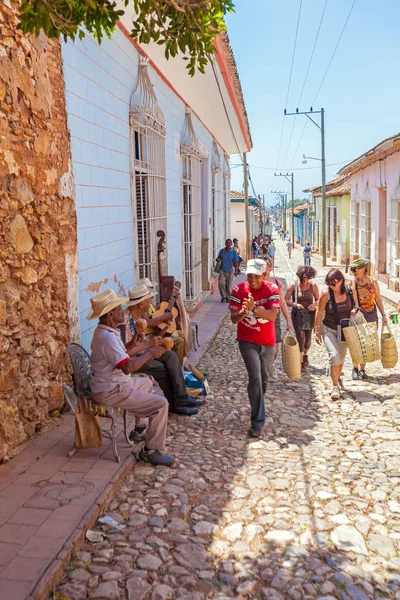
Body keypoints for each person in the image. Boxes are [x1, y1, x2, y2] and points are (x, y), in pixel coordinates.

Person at [88, 288, 174, 466]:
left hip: (111, 384)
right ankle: (150, 450)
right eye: (119, 308)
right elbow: (128, 367)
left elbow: (122, 354)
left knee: (146, 383)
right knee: (160, 404)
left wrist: (136, 345)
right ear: (111, 314)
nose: (123, 311)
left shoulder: (105, 332)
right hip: (112, 390)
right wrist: (149, 352)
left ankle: (140, 429)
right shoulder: (108, 338)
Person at [125, 284, 204, 418]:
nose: (151, 302)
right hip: (132, 361)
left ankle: (181, 396)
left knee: (170, 356)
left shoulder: (138, 319)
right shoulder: (126, 322)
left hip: (141, 353)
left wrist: (151, 344)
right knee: (161, 368)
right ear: (142, 303)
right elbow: (125, 352)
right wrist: (147, 347)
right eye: (149, 299)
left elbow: (137, 343)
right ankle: (174, 405)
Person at [229, 259, 280, 438]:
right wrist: (244, 311)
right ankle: (257, 422)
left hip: (267, 342)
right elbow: (233, 318)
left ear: (264, 275)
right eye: (249, 276)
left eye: (256, 276)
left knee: (263, 379)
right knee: (255, 377)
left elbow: (272, 316)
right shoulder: (238, 290)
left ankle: (257, 400)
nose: (252, 280)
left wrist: (255, 308)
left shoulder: (272, 290)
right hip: (246, 340)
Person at [315, 269, 355, 400]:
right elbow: (319, 312)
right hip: (329, 329)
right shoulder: (325, 294)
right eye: (329, 283)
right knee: (334, 355)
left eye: (334, 283)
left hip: (345, 330)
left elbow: (356, 306)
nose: (331, 285)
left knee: (341, 357)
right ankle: (335, 386)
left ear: (341, 281)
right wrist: (317, 330)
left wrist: (354, 311)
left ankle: (337, 377)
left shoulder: (349, 291)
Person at [349, 258, 388, 379]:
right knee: (356, 342)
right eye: (353, 269)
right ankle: (354, 368)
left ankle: (362, 369)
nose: (354, 271)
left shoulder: (373, 282)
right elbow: (355, 302)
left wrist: (383, 315)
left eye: (356, 269)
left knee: (367, 343)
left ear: (363, 269)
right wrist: (355, 311)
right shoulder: (353, 282)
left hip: (372, 314)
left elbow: (378, 299)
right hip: (359, 314)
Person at [136, 278, 188, 367]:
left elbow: (155, 315)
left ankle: (182, 362)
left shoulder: (149, 303)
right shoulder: (142, 306)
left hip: (158, 332)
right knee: (179, 341)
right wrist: (164, 317)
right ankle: (179, 369)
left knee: (180, 333)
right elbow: (148, 322)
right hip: (151, 336)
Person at [285, 266, 319, 370]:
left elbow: (319, 300)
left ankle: (305, 355)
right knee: (300, 337)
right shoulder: (293, 286)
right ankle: (299, 362)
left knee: (308, 340)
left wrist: (314, 305)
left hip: (309, 314)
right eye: (303, 279)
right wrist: (295, 304)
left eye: (307, 279)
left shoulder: (313, 286)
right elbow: (285, 300)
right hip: (297, 314)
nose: (304, 281)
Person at [263, 257, 293, 373]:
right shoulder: (255, 282)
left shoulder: (276, 283)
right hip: (259, 319)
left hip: (274, 318)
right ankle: (263, 368)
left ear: (270, 268)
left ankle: (270, 365)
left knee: (274, 350)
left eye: (266, 266)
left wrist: (288, 320)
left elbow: (283, 302)